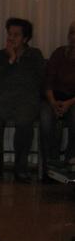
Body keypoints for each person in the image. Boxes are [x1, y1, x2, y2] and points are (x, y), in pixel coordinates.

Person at [0, 18, 44, 183]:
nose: (11, 38)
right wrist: (11, 60)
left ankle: (21, 167)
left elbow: (38, 80)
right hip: (2, 99)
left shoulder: (34, 55)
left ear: (25, 38)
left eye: (16, 35)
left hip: (26, 100)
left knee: (24, 123)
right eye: (9, 34)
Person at [40, 21, 75, 166]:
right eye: (72, 33)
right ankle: (50, 162)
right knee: (46, 120)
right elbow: (48, 80)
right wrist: (53, 102)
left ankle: (70, 160)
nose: (74, 37)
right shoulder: (59, 53)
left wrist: (68, 103)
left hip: (72, 100)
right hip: (52, 97)